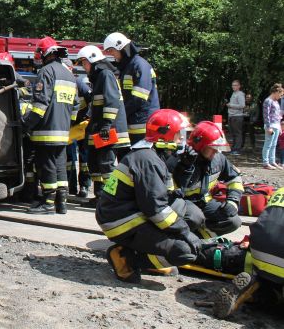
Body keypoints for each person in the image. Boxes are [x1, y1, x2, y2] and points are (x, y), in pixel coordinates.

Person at [96, 109, 202, 283]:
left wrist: (185, 166)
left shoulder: (153, 155)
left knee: (193, 214)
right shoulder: (148, 161)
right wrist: (184, 232)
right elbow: (156, 209)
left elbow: (171, 193)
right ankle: (127, 258)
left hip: (131, 212)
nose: (181, 139)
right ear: (164, 135)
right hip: (122, 222)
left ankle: (146, 251)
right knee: (185, 251)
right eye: (178, 134)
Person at [23, 37, 77, 214]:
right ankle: (61, 204)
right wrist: (66, 122)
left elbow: (40, 104)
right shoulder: (69, 74)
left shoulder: (46, 72)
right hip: (63, 132)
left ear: (44, 53)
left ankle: (47, 203)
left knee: (46, 167)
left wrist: (26, 124)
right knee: (60, 166)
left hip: (46, 131)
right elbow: (75, 105)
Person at [213, 187, 284, 318]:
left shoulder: (280, 191)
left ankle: (256, 291)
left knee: (268, 276)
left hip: (260, 252)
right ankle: (273, 297)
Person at [75, 45, 130, 206]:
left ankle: (112, 200)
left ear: (92, 60)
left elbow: (111, 101)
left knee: (106, 166)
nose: (83, 67)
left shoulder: (105, 75)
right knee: (95, 162)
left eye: (84, 63)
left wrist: (106, 124)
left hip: (109, 130)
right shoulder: (99, 77)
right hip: (100, 129)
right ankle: (100, 196)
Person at [171, 121, 243, 236]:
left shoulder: (218, 159)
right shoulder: (179, 159)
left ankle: (199, 240)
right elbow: (172, 189)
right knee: (195, 217)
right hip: (181, 202)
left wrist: (233, 201)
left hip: (203, 201)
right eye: (212, 148)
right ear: (201, 145)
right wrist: (184, 168)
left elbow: (235, 178)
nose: (216, 152)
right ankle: (179, 243)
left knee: (233, 221)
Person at [103, 32, 160, 144]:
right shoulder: (128, 67)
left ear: (121, 48)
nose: (111, 55)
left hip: (143, 125)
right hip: (134, 122)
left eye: (112, 51)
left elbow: (139, 98)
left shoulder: (139, 65)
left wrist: (121, 113)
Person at [261, 83, 283, 170]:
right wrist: (268, 127)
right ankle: (265, 163)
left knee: (273, 145)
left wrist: (280, 127)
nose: (280, 97)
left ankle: (272, 161)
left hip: (276, 125)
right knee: (268, 144)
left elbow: (277, 115)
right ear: (276, 92)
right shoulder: (268, 101)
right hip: (270, 126)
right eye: (280, 95)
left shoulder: (276, 101)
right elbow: (266, 115)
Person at [226, 80, 245, 156]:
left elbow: (242, 105)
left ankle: (237, 149)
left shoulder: (240, 94)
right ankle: (234, 148)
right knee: (233, 133)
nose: (234, 87)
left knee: (237, 133)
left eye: (235, 85)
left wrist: (231, 105)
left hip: (237, 116)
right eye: (233, 85)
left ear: (239, 86)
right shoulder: (234, 93)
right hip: (231, 115)